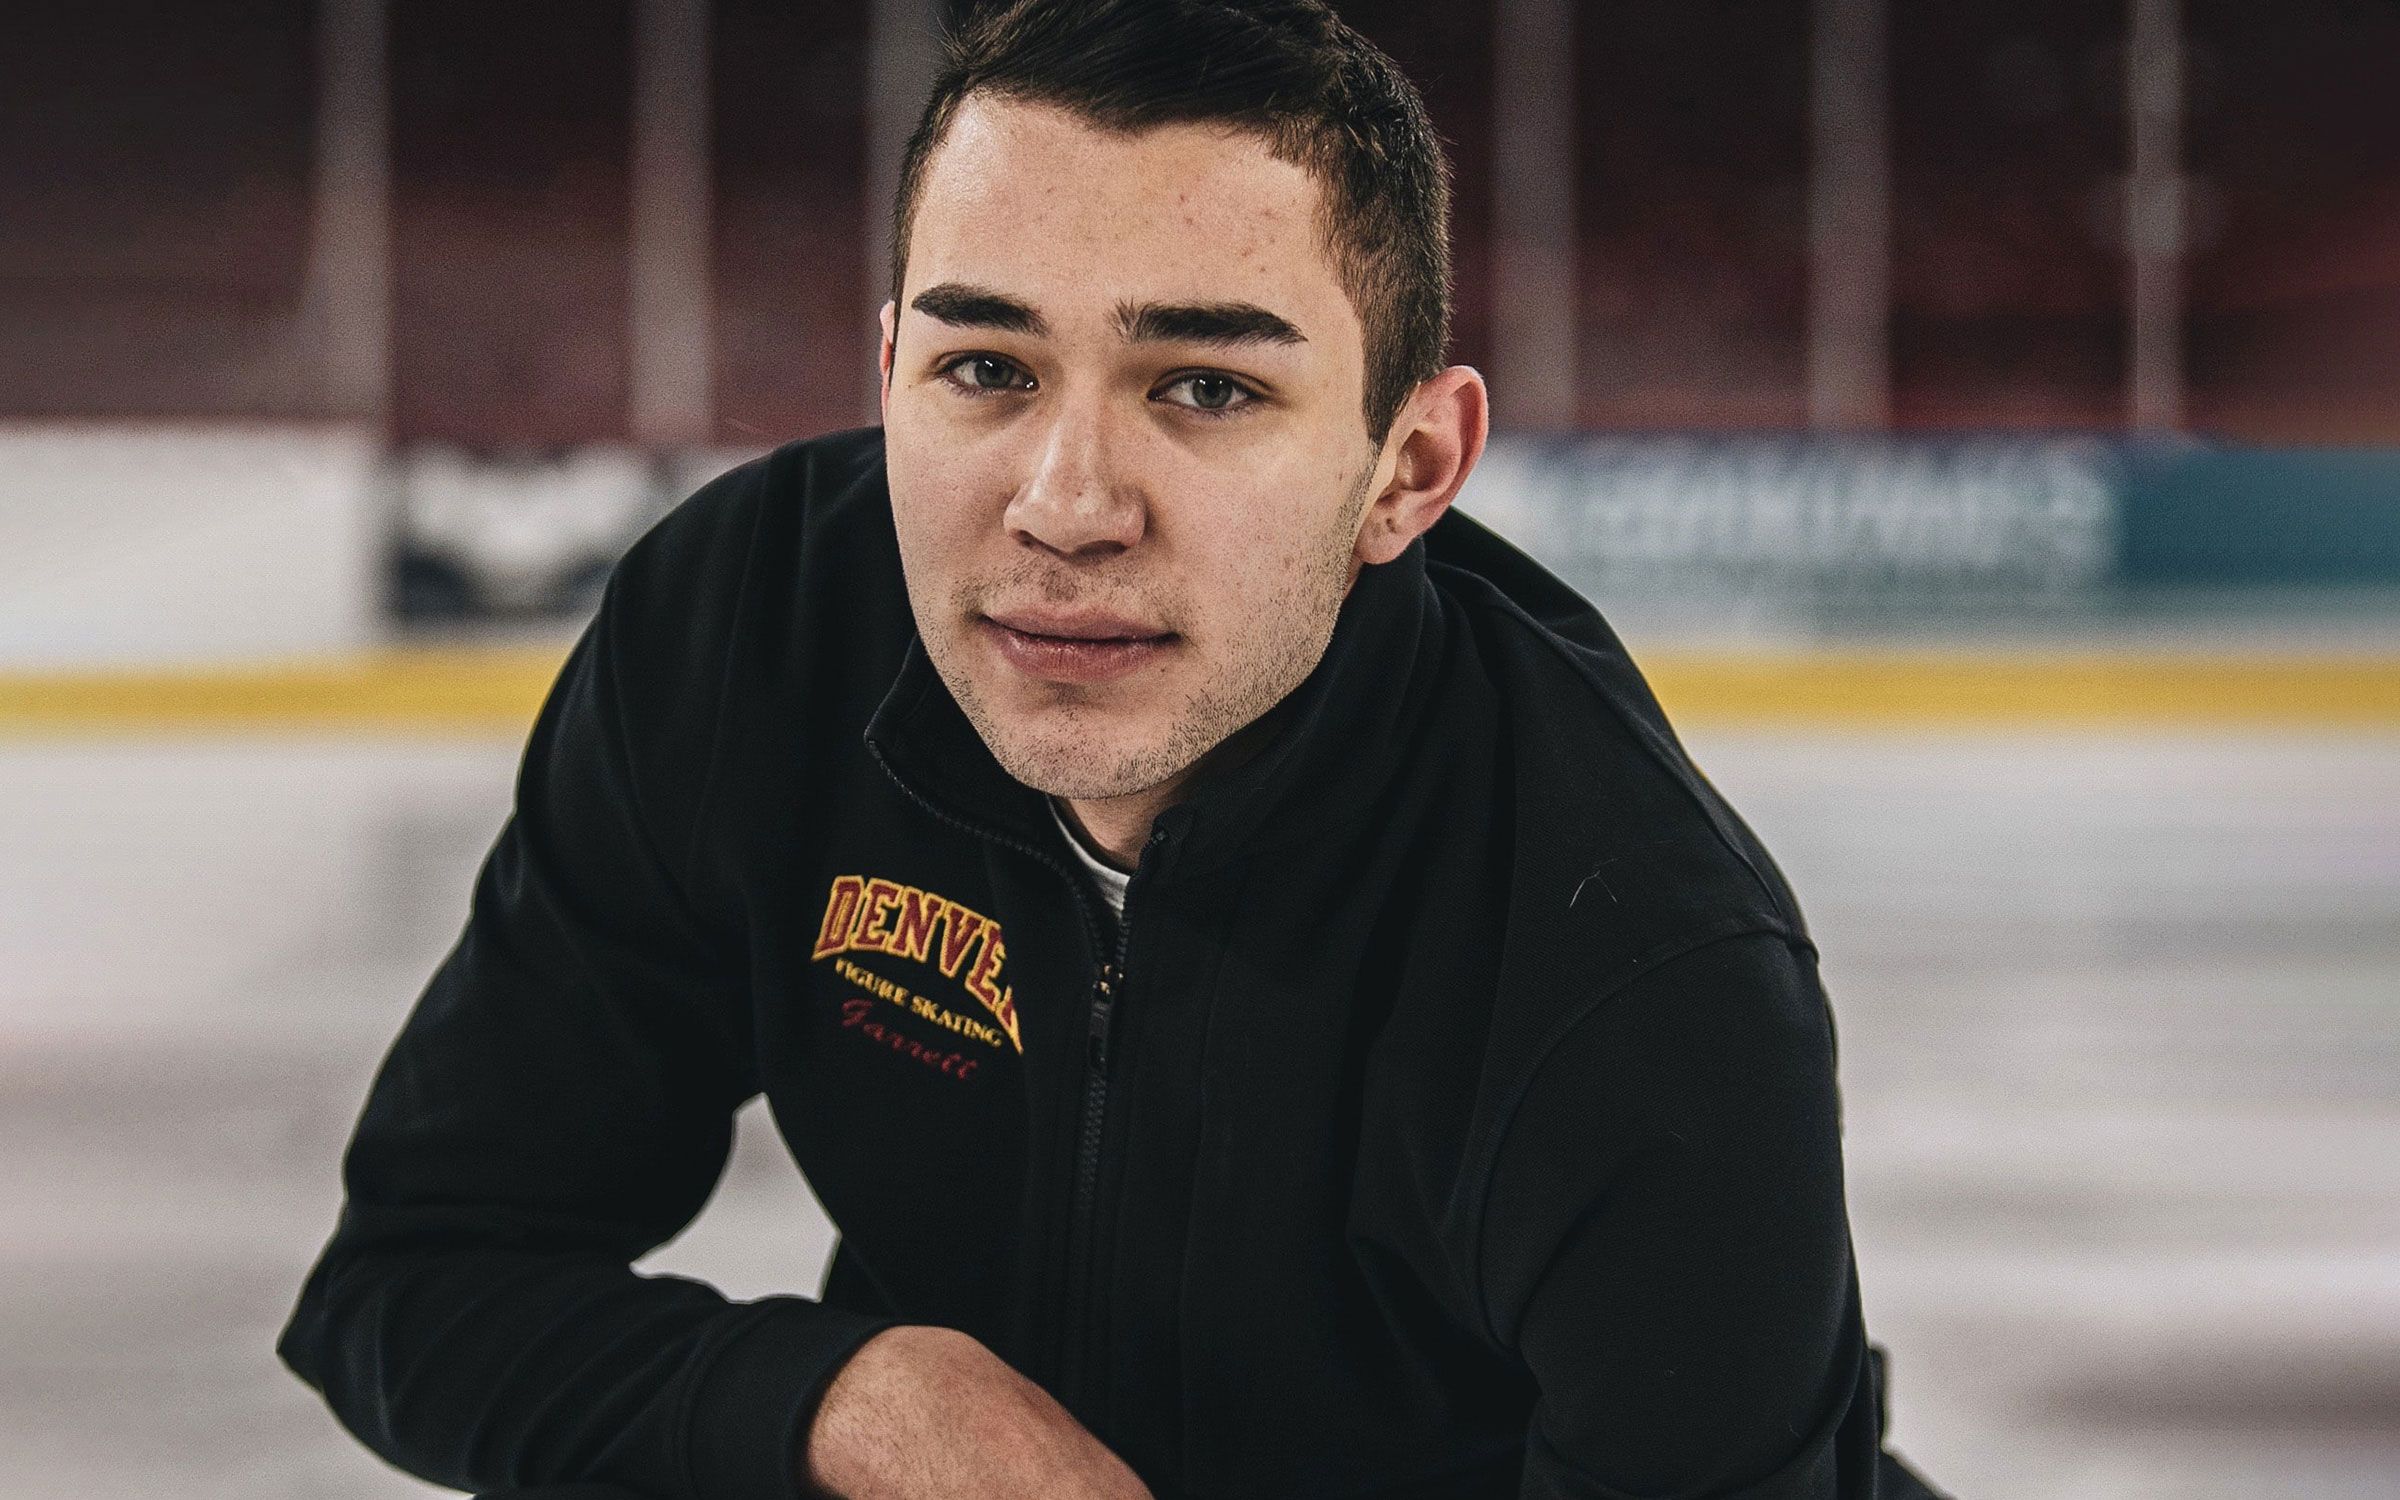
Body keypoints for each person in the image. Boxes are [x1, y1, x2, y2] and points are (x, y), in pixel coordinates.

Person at [278, 2, 1946, 1496]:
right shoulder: (747, 636)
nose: (1066, 505)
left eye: (1206, 388)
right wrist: (859, 1404)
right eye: (985, 368)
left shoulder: (1636, 969)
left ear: (1410, 468)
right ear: (888, 374)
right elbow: (415, 1285)